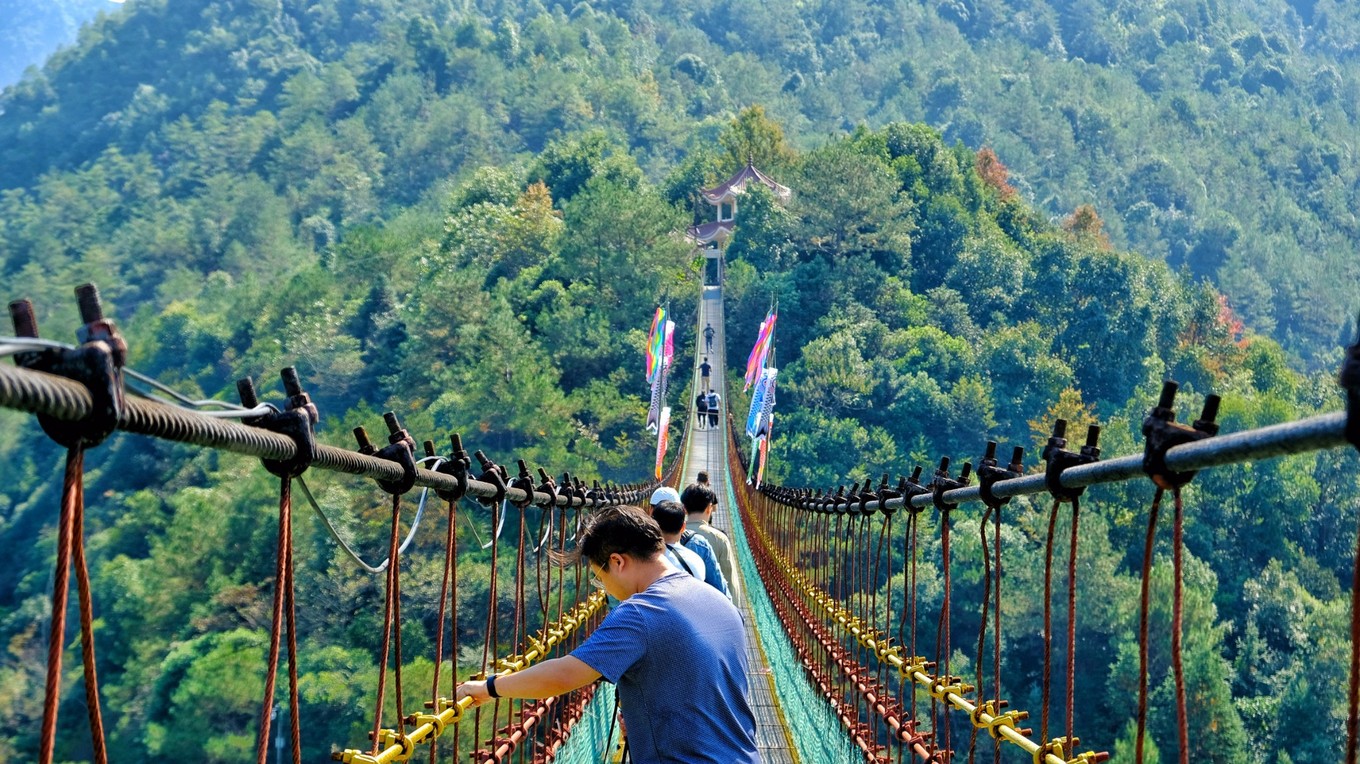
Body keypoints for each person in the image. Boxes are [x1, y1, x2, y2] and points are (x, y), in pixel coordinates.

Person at [454, 505, 760, 764]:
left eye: (601, 579)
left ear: (617, 562)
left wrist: (488, 688)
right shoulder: (720, 603)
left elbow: (565, 675)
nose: (605, 589)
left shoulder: (641, 612)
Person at [653, 497, 729, 599]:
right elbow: (720, 591)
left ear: (654, 525)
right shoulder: (696, 560)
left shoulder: (644, 558)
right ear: (683, 527)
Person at [681, 482, 742, 602]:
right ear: (709, 508)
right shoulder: (719, 538)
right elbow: (730, 583)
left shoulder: (674, 534)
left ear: (684, 509)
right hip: (713, 608)